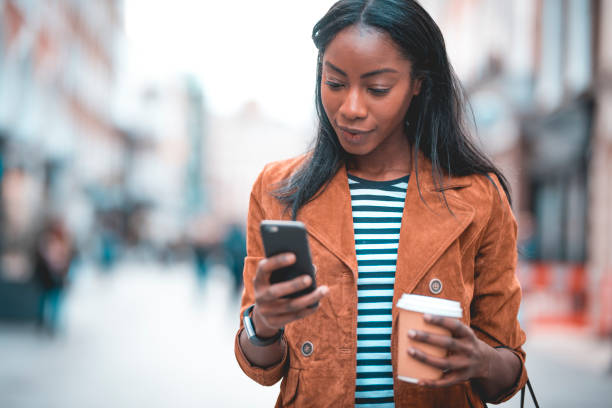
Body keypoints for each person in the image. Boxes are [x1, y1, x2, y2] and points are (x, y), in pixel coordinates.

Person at [234, 1, 527, 407]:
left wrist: (480, 360)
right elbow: (261, 368)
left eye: (377, 89)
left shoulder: (478, 196)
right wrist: (263, 323)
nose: (351, 109)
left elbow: (507, 372)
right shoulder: (278, 190)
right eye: (335, 83)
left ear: (419, 83)